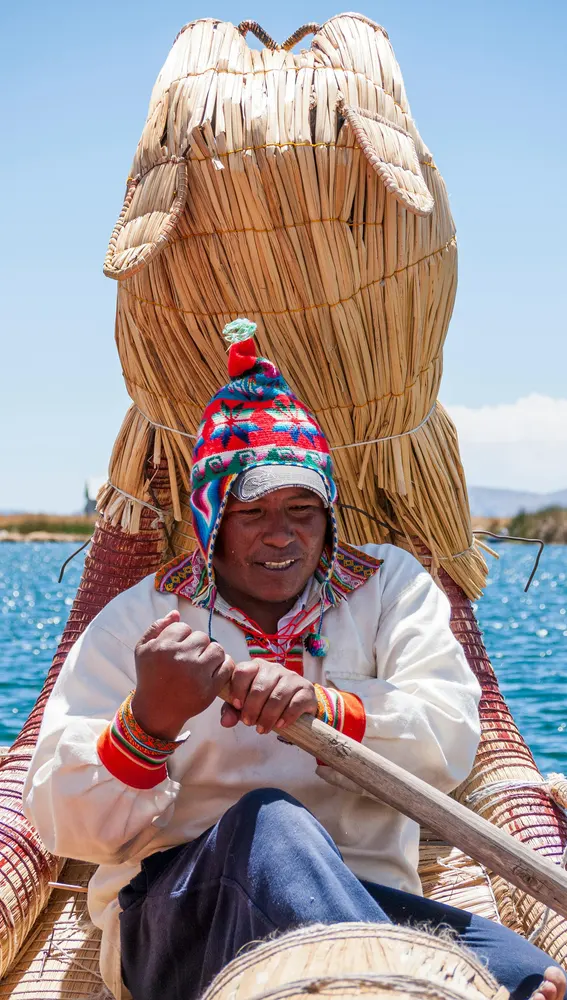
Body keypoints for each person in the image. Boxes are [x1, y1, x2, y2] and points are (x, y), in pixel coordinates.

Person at [24, 322, 564, 1000]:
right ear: (211, 519)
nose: (282, 535)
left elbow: (450, 740)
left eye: (302, 509)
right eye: (252, 513)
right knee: (268, 824)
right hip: (179, 916)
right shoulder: (142, 620)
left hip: (363, 899)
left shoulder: (387, 587)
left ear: (329, 514)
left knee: (529, 977)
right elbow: (65, 826)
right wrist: (148, 724)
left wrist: (323, 704)